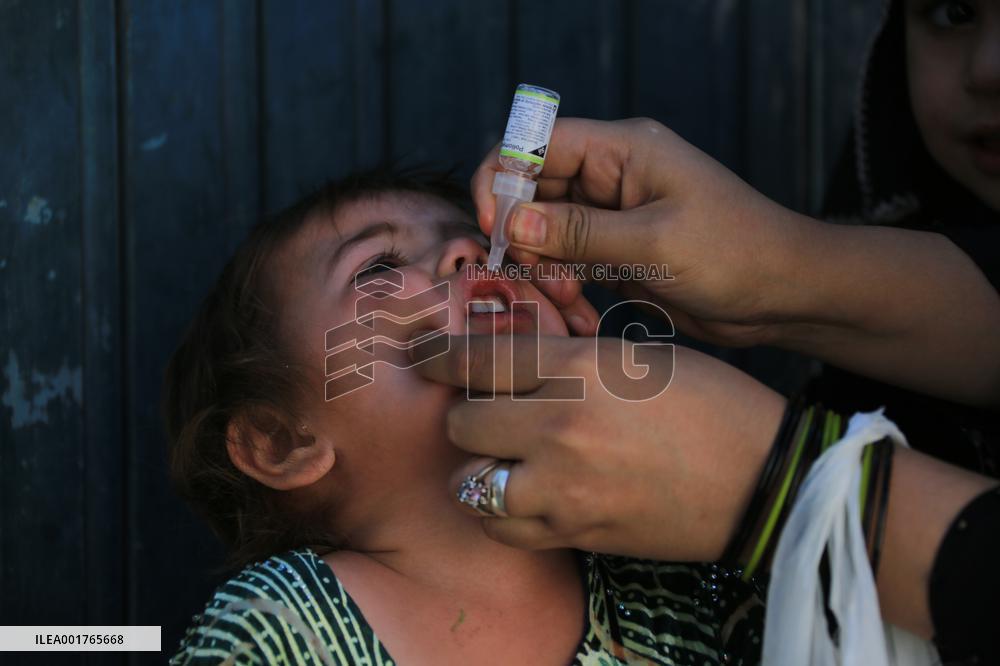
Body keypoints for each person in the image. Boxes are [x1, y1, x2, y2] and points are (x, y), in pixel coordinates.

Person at [415, 0, 1000, 661]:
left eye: (465, 240)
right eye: (950, 9)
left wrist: (775, 488)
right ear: (281, 441)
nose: (988, 67)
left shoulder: (702, 601)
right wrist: (785, 278)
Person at [164, 169, 771, 665]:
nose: (468, 253)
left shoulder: (673, 573)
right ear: (281, 441)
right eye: (378, 267)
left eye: (483, 244)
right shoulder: (276, 628)